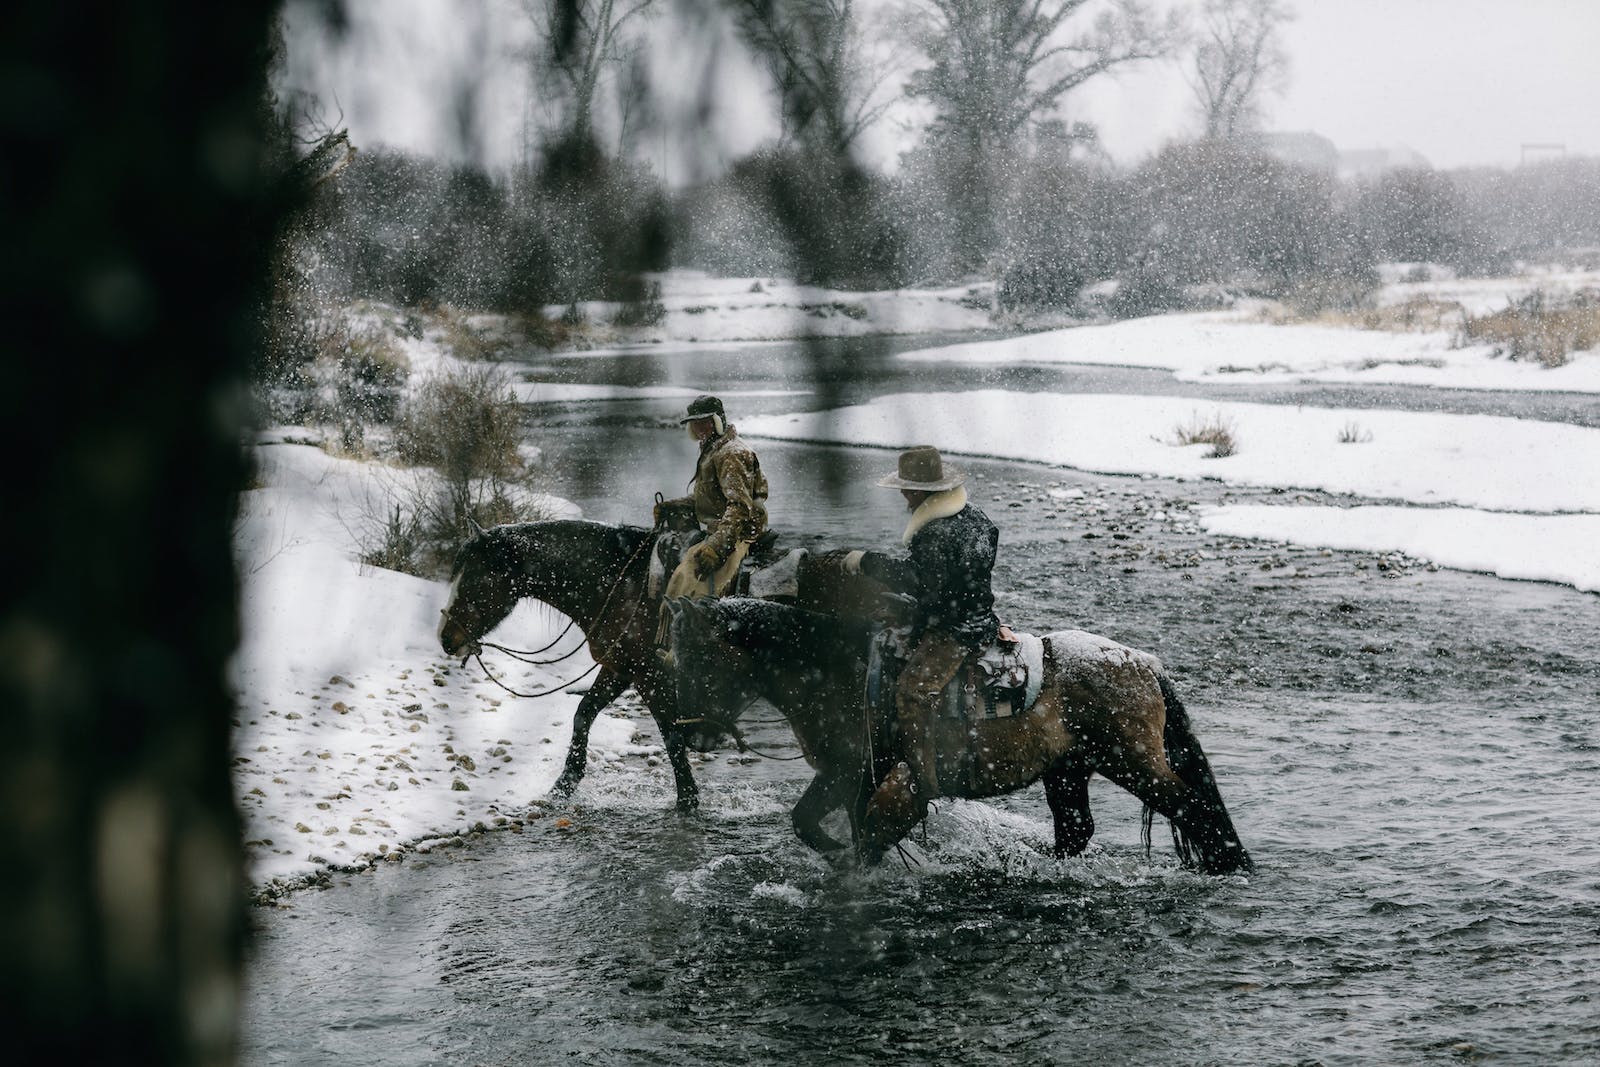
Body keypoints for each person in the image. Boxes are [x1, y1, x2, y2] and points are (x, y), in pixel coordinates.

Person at [846, 445, 999, 848]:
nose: (903, 495)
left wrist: (868, 563)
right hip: (979, 619)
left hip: (954, 632)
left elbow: (923, 587)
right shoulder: (975, 517)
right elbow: (956, 585)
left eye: (908, 490)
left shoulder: (934, 531)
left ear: (924, 492)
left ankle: (920, 780)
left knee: (913, 692)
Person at [657, 394, 770, 603]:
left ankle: (697, 628)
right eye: (696, 424)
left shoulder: (732, 453)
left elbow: (739, 507)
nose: (700, 428)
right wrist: (673, 506)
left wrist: (717, 548)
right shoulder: (712, 449)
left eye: (706, 422)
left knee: (689, 584)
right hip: (721, 530)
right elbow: (711, 498)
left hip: (740, 534)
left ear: (718, 422)